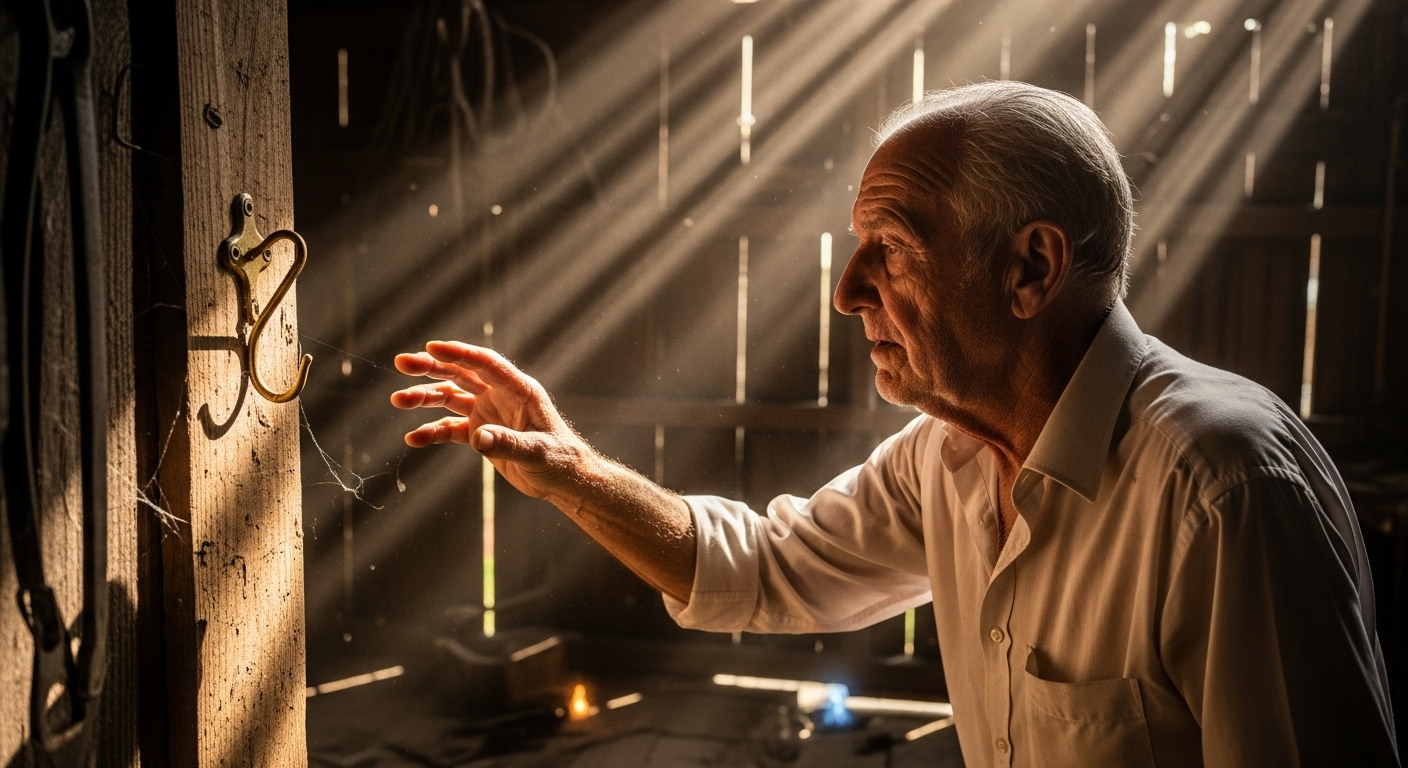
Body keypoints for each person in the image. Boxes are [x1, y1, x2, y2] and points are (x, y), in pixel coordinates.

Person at [390, 81, 1398, 767]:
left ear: (1030, 269)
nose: (845, 292)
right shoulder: (948, 458)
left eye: (892, 247)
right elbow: (760, 569)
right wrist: (570, 471)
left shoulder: (1219, 488)